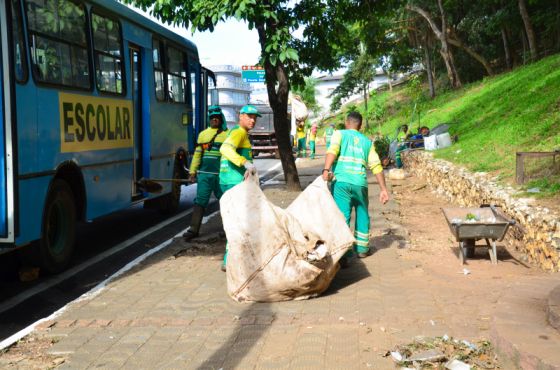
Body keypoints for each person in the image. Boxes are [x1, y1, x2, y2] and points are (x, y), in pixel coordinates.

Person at [322, 111, 390, 266]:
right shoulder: (367, 142)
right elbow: (376, 166)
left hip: (341, 182)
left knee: (342, 216)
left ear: (347, 122)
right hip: (360, 183)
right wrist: (383, 189)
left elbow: (332, 151)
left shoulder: (339, 134)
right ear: (361, 125)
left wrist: (326, 170)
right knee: (362, 213)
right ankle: (362, 249)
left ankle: (344, 254)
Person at [219, 104, 260, 271]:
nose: (253, 120)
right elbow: (225, 148)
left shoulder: (238, 132)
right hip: (234, 183)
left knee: (236, 221)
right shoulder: (239, 132)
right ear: (240, 116)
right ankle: (229, 260)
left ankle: (231, 259)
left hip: (230, 181)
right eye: (249, 116)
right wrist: (245, 162)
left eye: (255, 117)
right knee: (239, 222)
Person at [183, 106, 229, 241]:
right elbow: (197, 155)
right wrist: (192, 172)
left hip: (221, 175)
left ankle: (228, 230)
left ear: (221, 119)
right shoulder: (203, 134)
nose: (214, 119)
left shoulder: (228, 135)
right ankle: (193, 229)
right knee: (200, 201)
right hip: (204, 175)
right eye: (212, 118)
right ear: (209, 120)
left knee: (226, 202)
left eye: (217, 117)